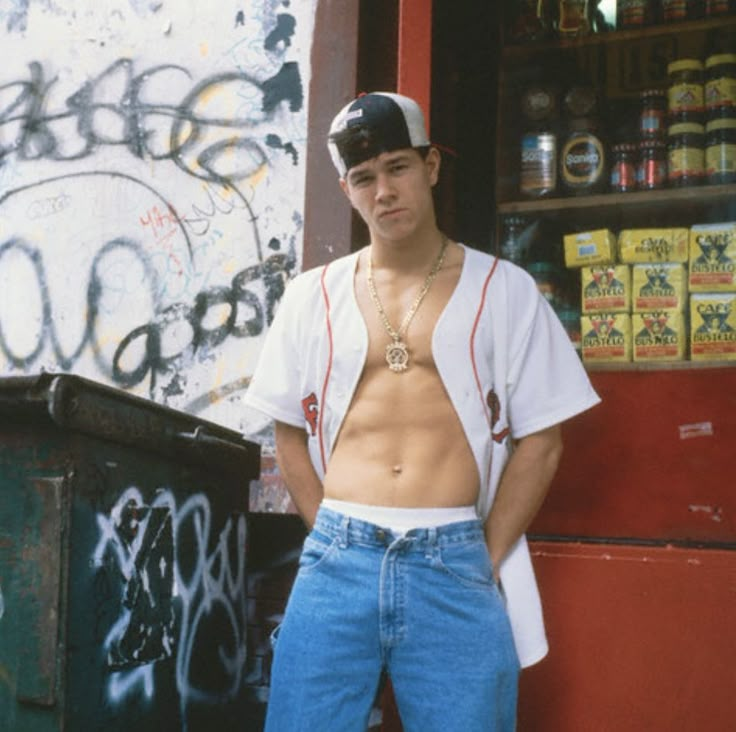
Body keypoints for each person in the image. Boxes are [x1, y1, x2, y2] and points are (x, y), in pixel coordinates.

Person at [245, 91, 601, 731]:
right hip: (338, 556)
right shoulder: (312, 297)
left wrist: (482, 557)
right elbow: (287, 433)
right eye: (363, 178)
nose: (383, 191)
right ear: (347, 189)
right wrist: (325, 533)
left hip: (453, 557)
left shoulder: (504, 290)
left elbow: (542, 440)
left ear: (431, 165)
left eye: (397, 167)